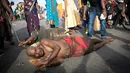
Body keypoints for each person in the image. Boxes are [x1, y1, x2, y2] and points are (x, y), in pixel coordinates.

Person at [26, 36, 113, 69]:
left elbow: (57, 47)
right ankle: (104, 42)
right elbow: (60, 60)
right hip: (74, 52)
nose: (37, 53)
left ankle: (102, 40)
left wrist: (47, 61)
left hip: (72, 42)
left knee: (90, 41)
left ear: (36, 47)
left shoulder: (43, 41)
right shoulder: (43, 58)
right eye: (35, 55)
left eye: (35, 51)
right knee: (92, 48)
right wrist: (47, 64)